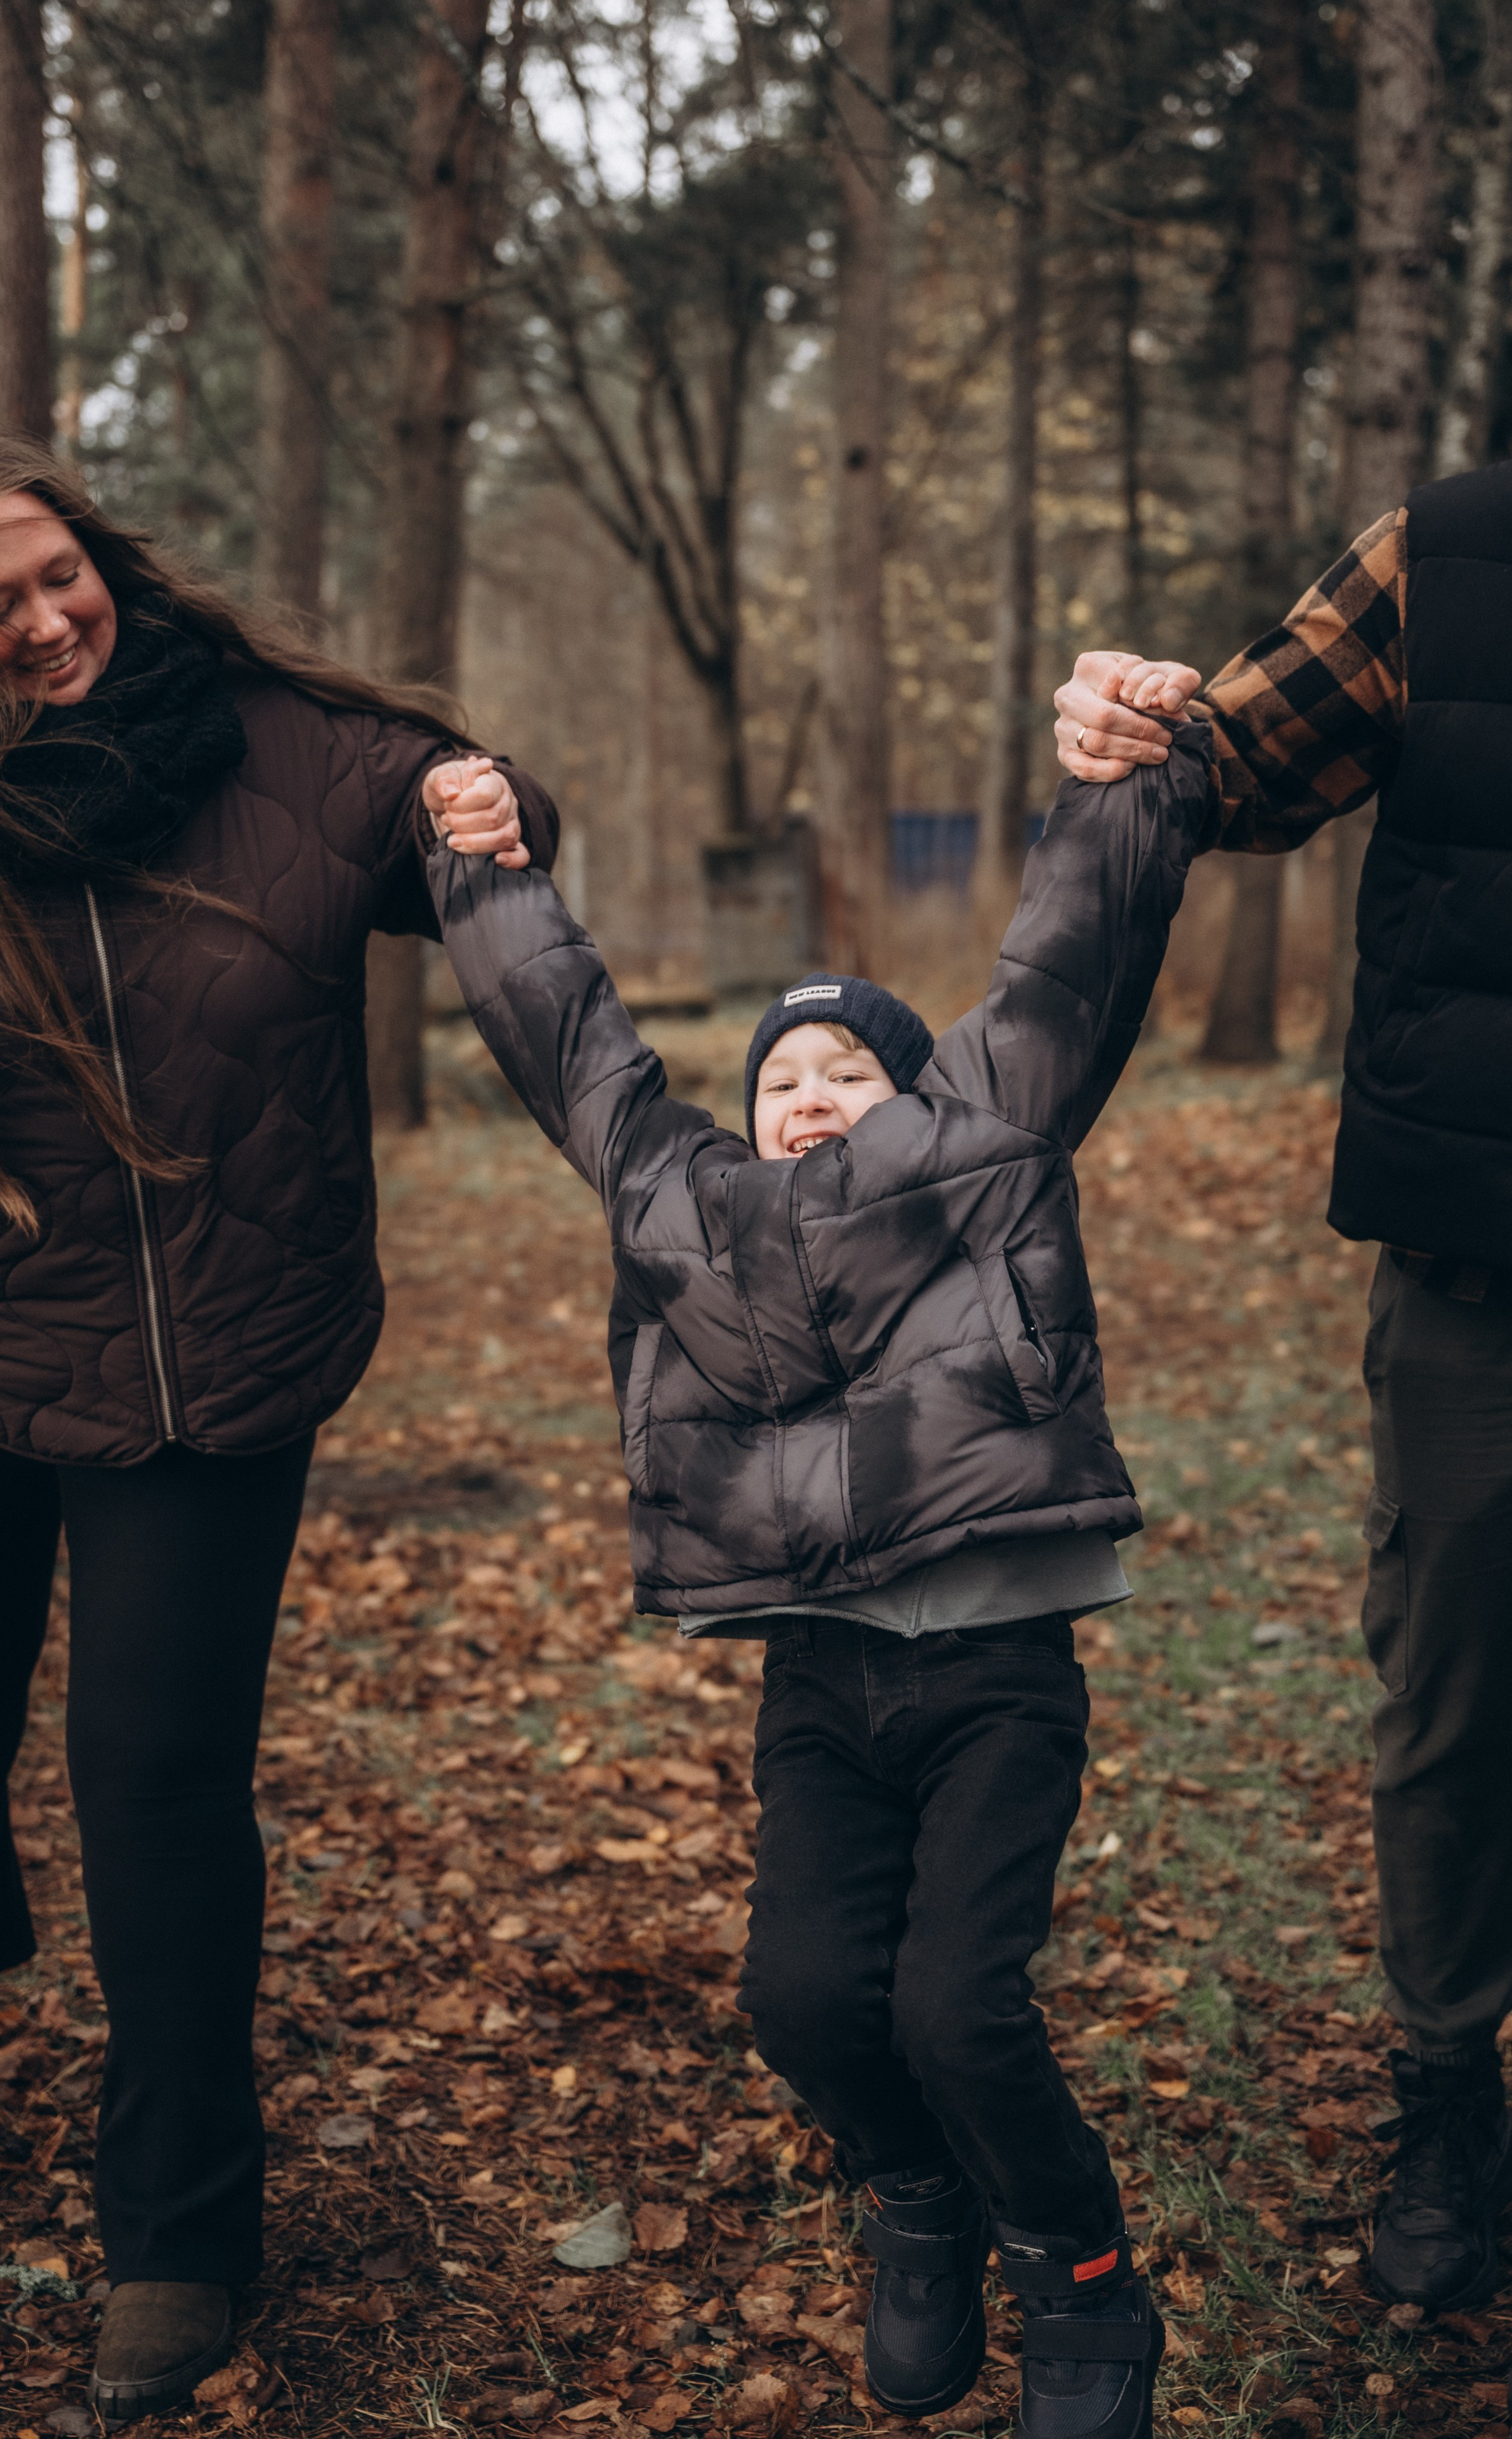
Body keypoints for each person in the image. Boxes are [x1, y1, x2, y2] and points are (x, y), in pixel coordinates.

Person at [428, 719, 1212, 2439]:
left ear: (916, 1096)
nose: (808, 1091)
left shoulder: (980, 1146)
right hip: (822, 1682)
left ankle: (1080, 2273)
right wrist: (487, 872)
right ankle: (915, 2195)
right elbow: (578, 1049)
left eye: (848, 1071)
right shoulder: (689, 1208)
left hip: (996, 1662)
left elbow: (1063, 964)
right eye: (784, 1072)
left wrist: (1127, 783)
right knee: (798, 1995)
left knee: (956, 2001)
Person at [1049, 169, 1512, 2439]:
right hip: (1475, 1275)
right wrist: (1132, 719)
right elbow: (1237, 759)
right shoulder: (1441, 558)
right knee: (1448, 1731)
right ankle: (1443, 2090)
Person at [0, 435, 554, 2423]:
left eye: (62, 574)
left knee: (151, 1793)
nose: (55, 620)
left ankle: (176, 2232)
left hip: (205, 1363)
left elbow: (464, 824)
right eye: (5, 615)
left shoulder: (267, 742)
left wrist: (491, 809)